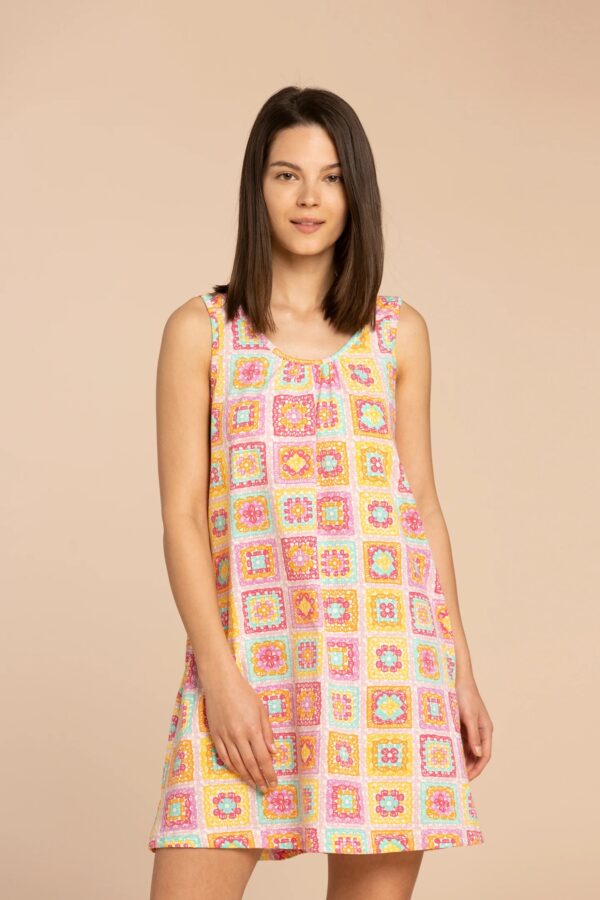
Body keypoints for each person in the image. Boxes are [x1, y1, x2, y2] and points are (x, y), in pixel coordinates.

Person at [147, 85, 493, 900]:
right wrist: (220, 676)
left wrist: (460, 671)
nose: (309, 198)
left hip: (387, 671)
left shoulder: (397, 334)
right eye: (287, 175)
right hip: (249, 663)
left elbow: (422, 507)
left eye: (332, 178)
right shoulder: (203, 332)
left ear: (355, 192)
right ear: (256, 187)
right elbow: (182, 518)